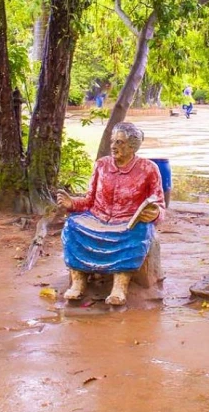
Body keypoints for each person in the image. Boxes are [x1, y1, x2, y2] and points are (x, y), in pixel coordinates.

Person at [56, 122, 165, 305]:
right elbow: (89, 200)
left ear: (133, 146)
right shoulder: (101, 165)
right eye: (113, 141)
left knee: (140, 231)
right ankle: (78, 281)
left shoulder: (149, 169)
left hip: (127, 221)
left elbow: (159, 204)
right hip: (97, 217)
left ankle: (120, 286)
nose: (114, 146)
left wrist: (154, 214)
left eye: (120, 142)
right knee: (72, 226)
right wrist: (72, 203)